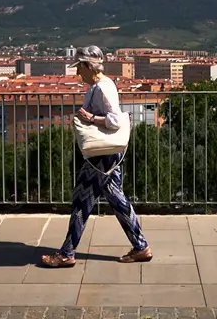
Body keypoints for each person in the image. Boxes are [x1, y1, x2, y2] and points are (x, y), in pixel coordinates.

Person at [41, 45, 152, 268]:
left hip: (102, 156)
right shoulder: (100, 85)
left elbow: (115, 120)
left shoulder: (102, 88)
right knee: (116, 200)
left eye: (79, 67)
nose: (77, 72)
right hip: (107, 154)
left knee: (82, 200)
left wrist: (90, 118)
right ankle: (140, 247)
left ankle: (67, 253)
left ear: (88, 66)